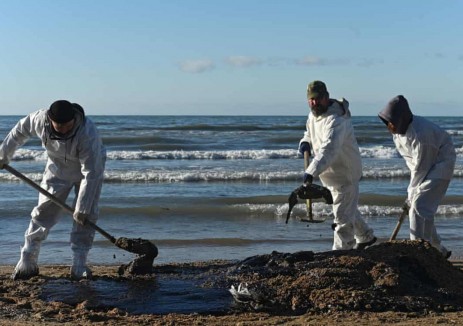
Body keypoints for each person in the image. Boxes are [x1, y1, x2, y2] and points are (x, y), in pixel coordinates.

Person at [0, 100, 106, 280]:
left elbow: (91, 173)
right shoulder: (40, 119)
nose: (64, 129)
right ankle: (28, 259)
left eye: (68, 125)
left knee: (86, 217)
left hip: (88, 171)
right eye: (60, 125)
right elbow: (18, 132)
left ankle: (79, 264)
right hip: (57, 168)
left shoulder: (88, 133)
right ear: (50, 119)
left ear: (74, 120)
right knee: (43, 211)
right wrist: (3, 156)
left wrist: (82, 208)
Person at [299, 80, 376, 250]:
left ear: (326, 97)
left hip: (345, 174)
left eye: (317, 99)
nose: (314, 103)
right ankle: (365, 236)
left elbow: (329, 149)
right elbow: (309, 133)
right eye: (311, 99)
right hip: (330, 175)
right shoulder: (313, 115)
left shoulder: (337, 120)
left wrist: (311, 171)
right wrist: (305, 141)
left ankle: (341, 253)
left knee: (341, 217)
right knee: (347, 208)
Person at [378, 95, 455, 258]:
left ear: (401, 118)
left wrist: (411, 193)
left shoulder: (421, 136)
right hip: (424, 165)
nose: (389, 125)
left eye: (391, 121)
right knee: (423, 208)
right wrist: (412, 193)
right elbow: (414, 163)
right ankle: (437, 249)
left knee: (419, 207)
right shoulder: (398, 130)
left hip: (441, 163)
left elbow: (422, 167)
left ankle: (419, 253)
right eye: (387, 121)